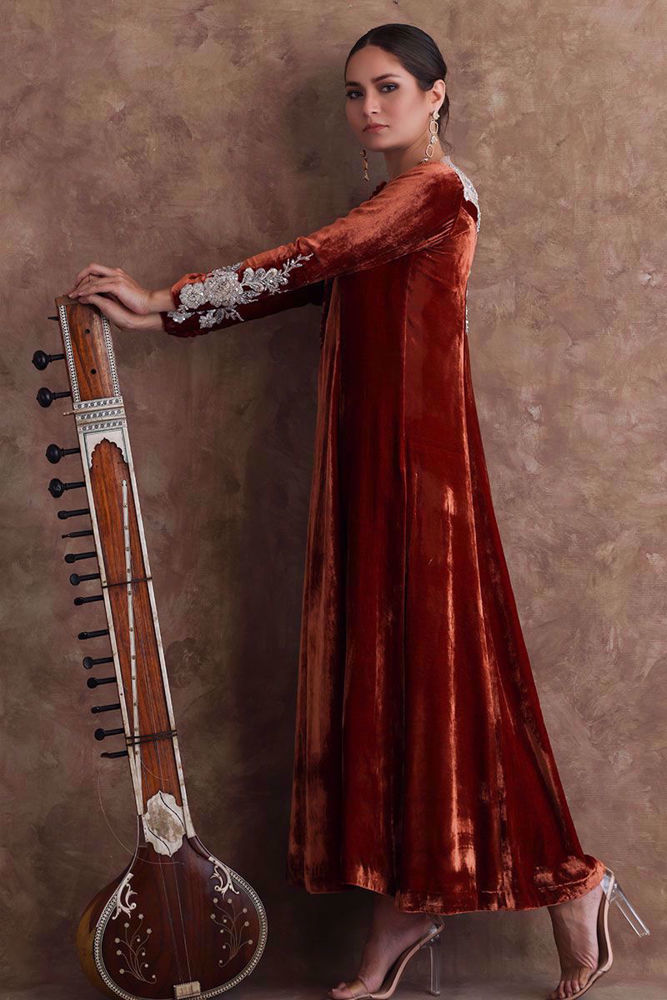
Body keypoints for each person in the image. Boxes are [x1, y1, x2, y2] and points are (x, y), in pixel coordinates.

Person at [66, 22, 649, 1000]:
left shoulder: (432, 193)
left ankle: (550, 882)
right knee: (406, 689)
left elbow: (311, 257)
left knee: (445, 684)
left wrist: (165, 297)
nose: (367, 108)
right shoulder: (390, 204)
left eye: (387, 88)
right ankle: (443, 899)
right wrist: (166, 316)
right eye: (353, 92)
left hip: (422, 480)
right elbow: (315, 279)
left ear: (435, 94)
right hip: (372, 474)